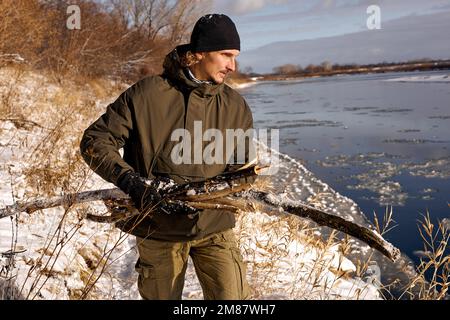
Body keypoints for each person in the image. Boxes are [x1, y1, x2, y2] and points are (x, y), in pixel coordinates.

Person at [80, 14, 255, 300]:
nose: (232, 66)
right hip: (157, 228)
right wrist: (132, 183)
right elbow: (95, 141)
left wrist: (223, 190)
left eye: (235, 56)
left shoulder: (235, 106)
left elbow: (241, 168)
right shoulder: (147, 94)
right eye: (225, 55)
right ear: (199, 52)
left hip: (215, 226)